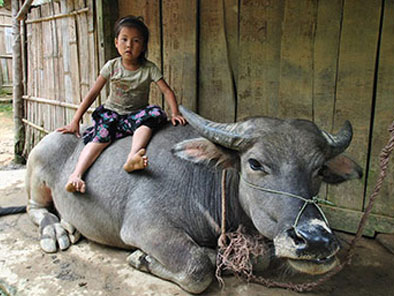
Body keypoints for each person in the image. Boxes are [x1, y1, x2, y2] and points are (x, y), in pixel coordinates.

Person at [57, 15, 186, 194]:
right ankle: (76, 174)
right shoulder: (112, 66)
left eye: (135, 41)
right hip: (112, 113)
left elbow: (167, 91)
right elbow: (92, 93)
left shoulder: (149, 68)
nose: (129, 45)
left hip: (136, 115)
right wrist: (75, 120)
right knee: (100, 138)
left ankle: (133, 156)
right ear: (116, 42)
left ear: (143, 47)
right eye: (124, 39)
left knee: (154, 114)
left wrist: (175, 113)